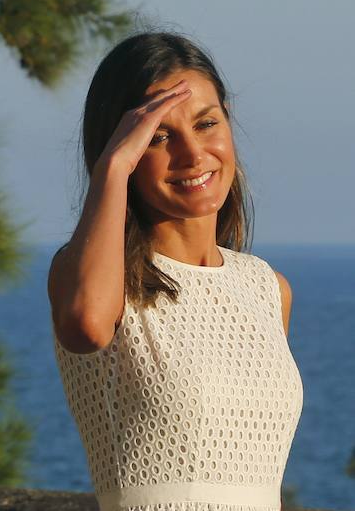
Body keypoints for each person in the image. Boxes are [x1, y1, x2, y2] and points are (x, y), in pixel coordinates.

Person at [47, 31, 303, 511]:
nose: (192, 154)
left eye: (207, 123)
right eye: (159, 136)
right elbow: (84, 325)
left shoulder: (267, 288)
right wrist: (112, 170)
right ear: (122, 147)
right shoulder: (90, 275)